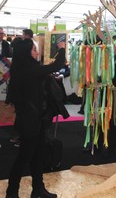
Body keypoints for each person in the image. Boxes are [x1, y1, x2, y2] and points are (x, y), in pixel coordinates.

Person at [5, 38, 66, 198]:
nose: (37, 52)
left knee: (37, 156)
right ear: (26, 53)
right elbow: (57, 65)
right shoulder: (29, 70)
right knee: (24, 158)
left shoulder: (24, 69)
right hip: (30, 122)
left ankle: (38, 189)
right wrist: (62, 49)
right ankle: (11, 192)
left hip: (36, 120)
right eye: (34, 49)